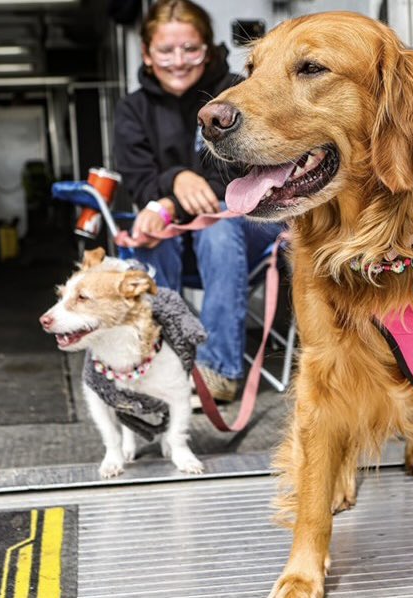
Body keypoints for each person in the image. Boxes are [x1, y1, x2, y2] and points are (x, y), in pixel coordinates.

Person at [113, 0, 283, 402]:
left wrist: (171, 199)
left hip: (243, 233)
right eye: (166, 50)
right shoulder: (132, 110)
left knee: (219, 224)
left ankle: (218, 371)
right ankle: (162, 363)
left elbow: (242, 173)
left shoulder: (236, 91)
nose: (178, 61)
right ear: (146, 54)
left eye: (190, 49)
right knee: (152, 234)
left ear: (207, 49)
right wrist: (176, 181)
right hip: (175, 238)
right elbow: (138, 181)